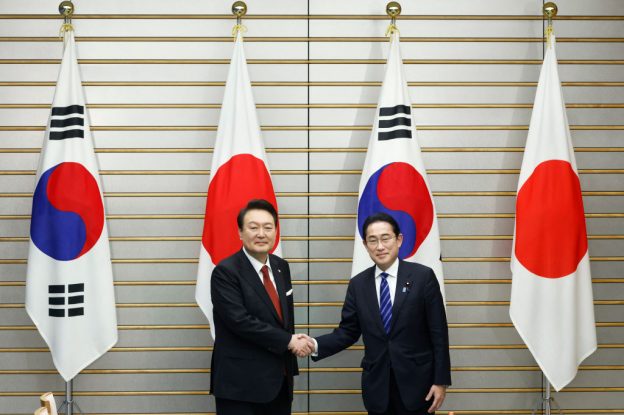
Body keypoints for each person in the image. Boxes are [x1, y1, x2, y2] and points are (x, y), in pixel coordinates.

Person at [311, 212, 451, 415]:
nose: (380, 246)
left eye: (386, 238)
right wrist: (314, 345)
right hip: (377, 388)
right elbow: (348, 331)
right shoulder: (358, 284)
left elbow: (439, 333)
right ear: (365, 245)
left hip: (418, 385)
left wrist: (441, 380)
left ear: (399, 240)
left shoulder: (423, 277)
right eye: (372, 240)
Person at [210, 199, 314, 415]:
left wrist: (293, 342)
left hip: (279, 382)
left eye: (268, 227)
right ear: (240, 232)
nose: (261, 234)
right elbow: (240, 321)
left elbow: (283, 320)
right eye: (253, 227)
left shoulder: (280, 267)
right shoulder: (225, 272)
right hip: (240, 387)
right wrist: (289, 341)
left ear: (275, 231)